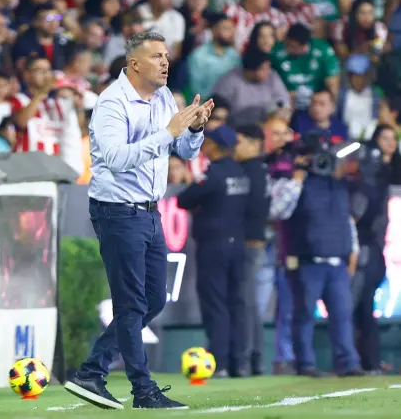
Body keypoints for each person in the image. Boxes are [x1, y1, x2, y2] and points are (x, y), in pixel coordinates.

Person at [63, 31, 213, 410]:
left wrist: (193, 129)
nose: (166, 62)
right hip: (116, 211)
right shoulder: (111, 103)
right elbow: (115, 158)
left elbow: (182, 148)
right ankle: (142, 390)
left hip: (150, 210)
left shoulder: (163, 96)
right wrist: (168, 133)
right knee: (130, 304)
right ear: (134, 64)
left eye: (166, 55)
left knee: (153, 299)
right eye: (157, 56)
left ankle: (91, 371)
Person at [283, 131, 363, 377]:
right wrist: (297, 176)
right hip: (309, 261)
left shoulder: (340, 185)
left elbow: (346, 220)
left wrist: (352, 250)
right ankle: (305, 363)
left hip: (337, 261)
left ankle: (349, 363)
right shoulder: (297, 182)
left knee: (342, 316)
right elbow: (280, 212)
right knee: (305, 315)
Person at [177, 125, 249, 378]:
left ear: (215, 147)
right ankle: (238, 361)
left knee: (215, 302)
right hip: (237, 244)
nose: (204, 146)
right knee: (236, 302)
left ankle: (218, 361)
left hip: (214, 245)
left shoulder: (214, 175)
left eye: (208, 143)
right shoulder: (242, 173)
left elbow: (183, 200)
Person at [352, 125, 401, 374]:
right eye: (384, 138)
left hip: (372, 250)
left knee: (360, 305)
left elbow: (359, 216)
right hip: (370, 249)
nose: (389, 143)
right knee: (360, 306)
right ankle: (364, 361)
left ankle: (366, 361)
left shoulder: (380, 180)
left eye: (394, 139)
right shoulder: (368, 179)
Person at [235, 124, 269, 376]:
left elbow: (253, 209)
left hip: (248, 242)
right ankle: (254, 357)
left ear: (254, 142)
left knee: (245, 302)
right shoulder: (259, 169)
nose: (235, 147)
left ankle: (246, 359)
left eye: (239, 141)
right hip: (254, 241)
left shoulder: (253, 170)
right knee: (250, 303)